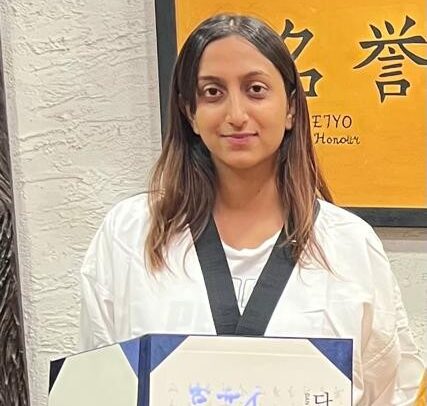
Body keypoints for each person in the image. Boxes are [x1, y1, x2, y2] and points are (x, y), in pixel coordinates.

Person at [79, 13, 425, 405]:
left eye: (256, 89)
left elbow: (390, 392)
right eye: (212, 92)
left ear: (291, 108)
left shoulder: (349, 244)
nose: (236, 115)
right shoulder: (129, 235)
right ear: (190, 112)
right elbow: (96, 387)